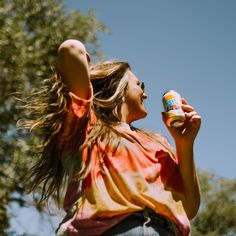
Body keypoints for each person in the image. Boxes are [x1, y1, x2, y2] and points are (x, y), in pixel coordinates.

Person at [20, 39, 201, 236]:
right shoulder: (85, 126)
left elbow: (188, 208)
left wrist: (184, 143)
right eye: (140, 85)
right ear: (118, 86)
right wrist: (87, 84)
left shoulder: (158, 143)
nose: (145, 94)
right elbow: (71, 48)